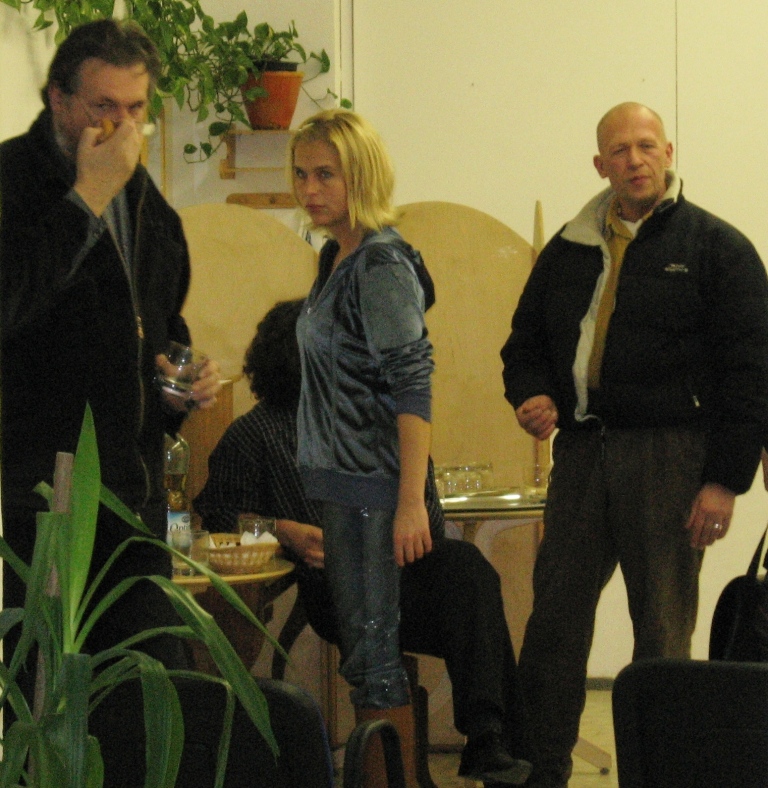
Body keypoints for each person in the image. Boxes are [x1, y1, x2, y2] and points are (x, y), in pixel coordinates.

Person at [500, 101, 768, 787]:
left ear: (669, 153)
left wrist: (724, 482)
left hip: (672, 459)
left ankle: (663, 775)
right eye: (619, 150)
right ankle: (541, 772)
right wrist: (532, 394)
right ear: (600, 165)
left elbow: (751, 374)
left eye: (647, 145)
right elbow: (523, 343)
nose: (635, 160)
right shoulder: (568, 248)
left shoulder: (718, 248)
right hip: (582, 455)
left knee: (662, 636)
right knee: (553, 628)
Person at [194, 298, 533, 787]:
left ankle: (484, 737)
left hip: (402, 568)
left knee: (468, 568)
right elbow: (220, 519)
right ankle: (489, 743)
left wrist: (402, 518)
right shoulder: (254, 434)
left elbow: (430, 516)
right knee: (470, 602)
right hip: (334, 586)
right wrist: (283, 530)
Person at [0, 18, 220, 707]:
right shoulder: (11, 183)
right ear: (58, 100)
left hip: (135, 494)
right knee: (50, 703)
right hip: (48, 497)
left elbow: (159, 328)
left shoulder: (149, 205)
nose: (121, 127)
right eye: (102, 106)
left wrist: (178, 381)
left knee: (146, 695)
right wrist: (87, 198)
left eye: (135, 108)